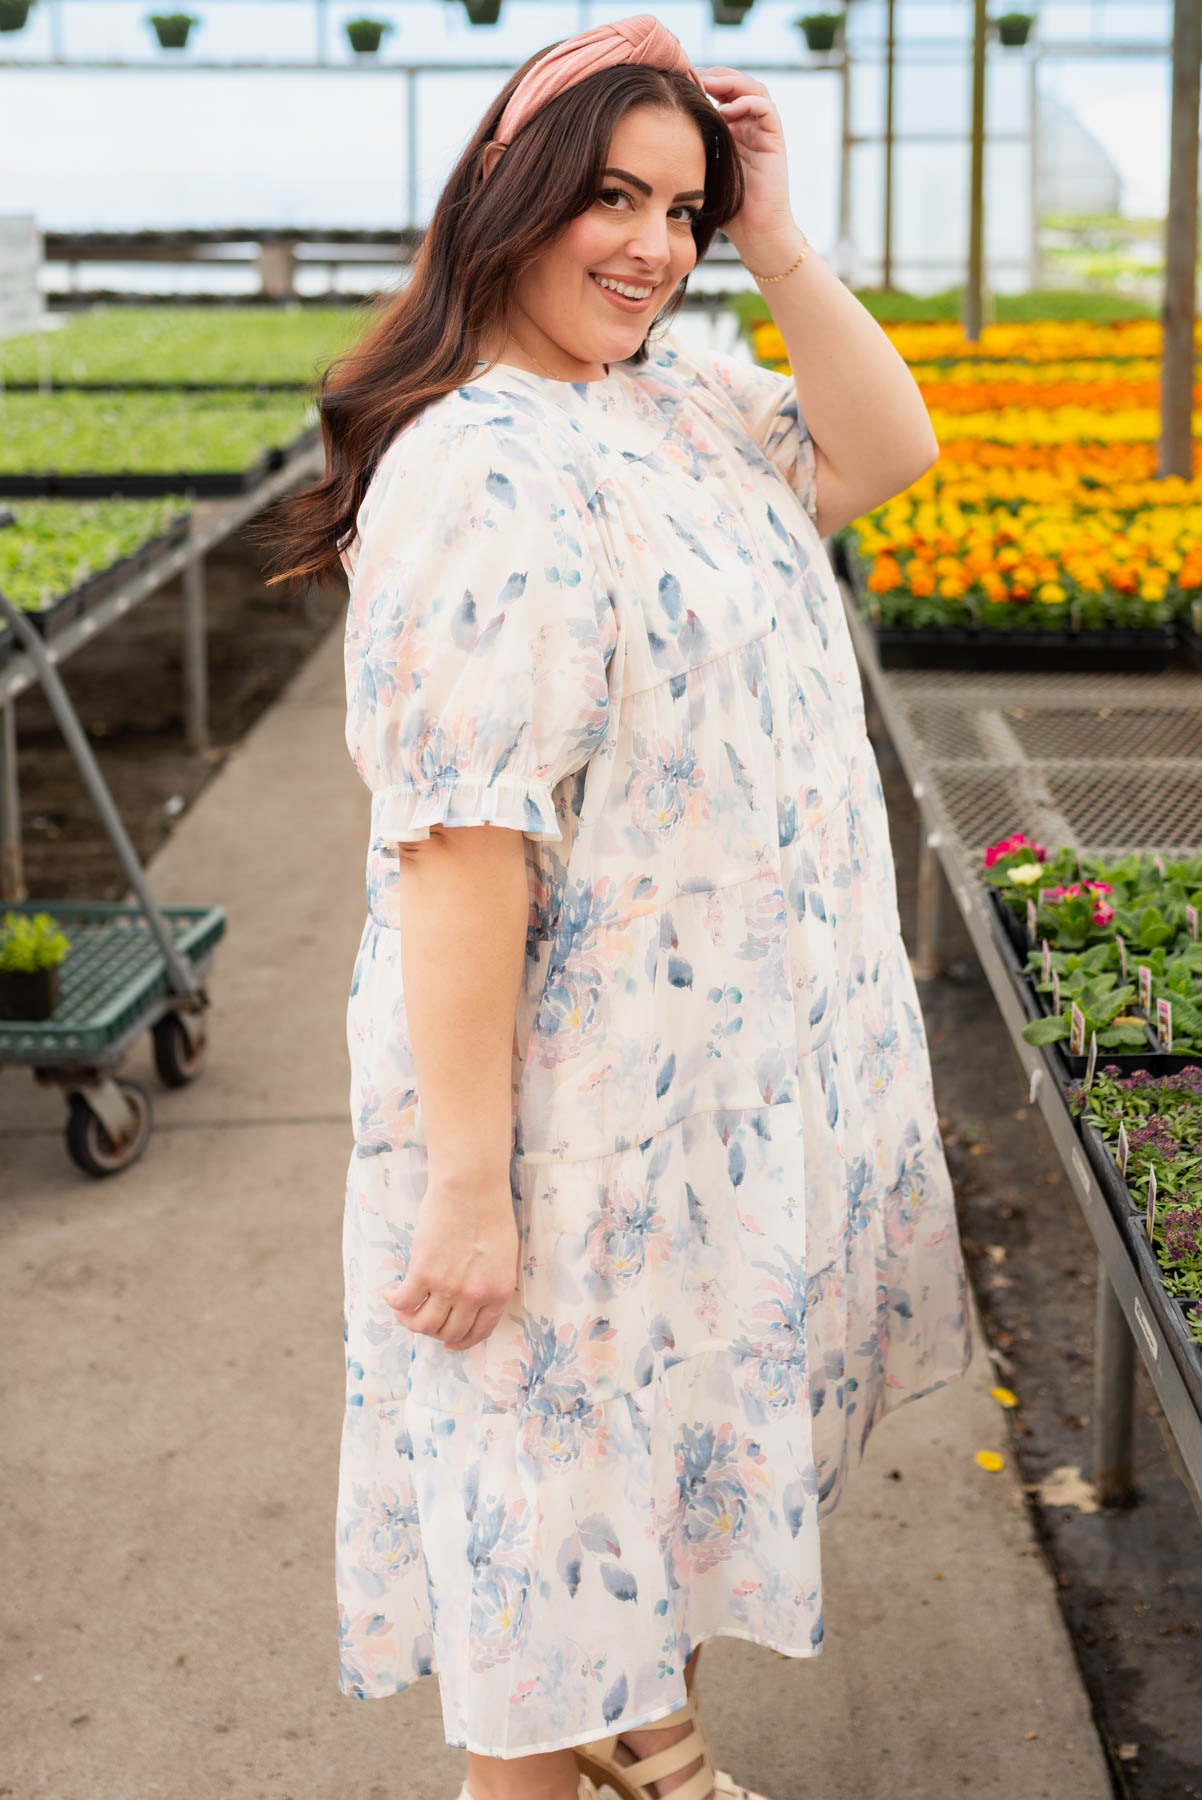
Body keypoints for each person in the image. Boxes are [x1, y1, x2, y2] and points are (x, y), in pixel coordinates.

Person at [254, 15, 974, 1800]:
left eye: (679, 207)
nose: (650, 245)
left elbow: (886, 453)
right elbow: (457, 849)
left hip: (700, 1107)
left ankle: (656, 1732)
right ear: (505, 195)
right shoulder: (477, 466)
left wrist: (779, 234)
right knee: (539, 1595)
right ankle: (624, 1742)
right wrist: (469, 1192)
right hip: (576, 1124)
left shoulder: (672, 396)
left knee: (635, 1513)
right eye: (605, 198)